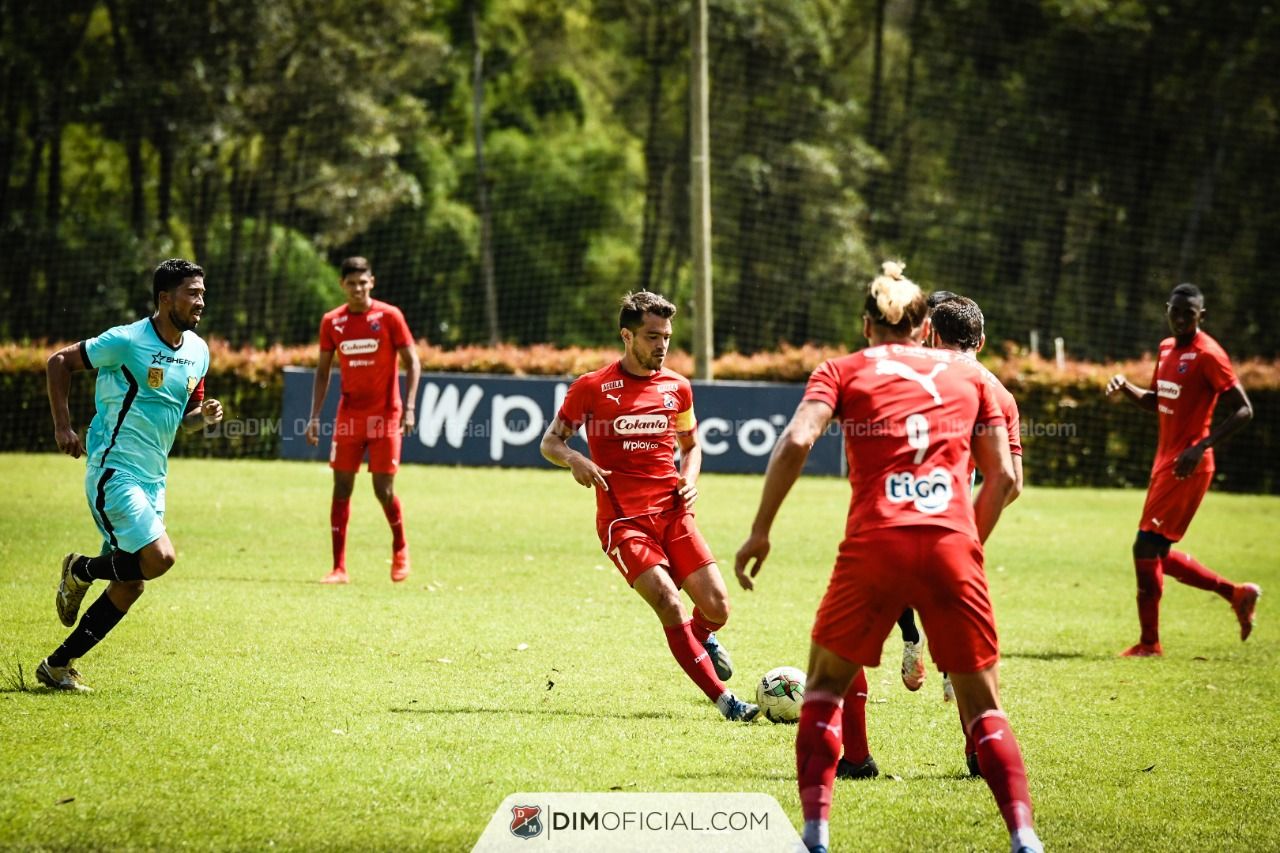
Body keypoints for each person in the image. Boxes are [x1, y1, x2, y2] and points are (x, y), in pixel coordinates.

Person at [735, 262, 1043, 853]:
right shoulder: (973, 378)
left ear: (867, 324)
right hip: (952, 545)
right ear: (925, 327)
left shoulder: (842, 369)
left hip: (875, 543)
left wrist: (761, 530)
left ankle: (817, 835)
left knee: (823, 686)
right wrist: (968, 545)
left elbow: (798, 440)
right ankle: (1024, 837)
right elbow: (1004, 475)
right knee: (984, 703)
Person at [540, 291, 758, 722]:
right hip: (623, 521)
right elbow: (551, 441)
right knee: (668, 601)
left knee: (717, 608)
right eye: (652, 336)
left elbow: (692, 447)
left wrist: (689, 480)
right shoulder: (592, 388)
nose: (662, 345)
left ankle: (700, 639)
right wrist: (576, 459)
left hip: (674, 514)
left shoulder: (678, 387)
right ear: (627, 335)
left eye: (667, 337)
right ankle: (726, 701)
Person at [40, 258, 223, 692]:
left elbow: (185, 419)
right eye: (192, 293)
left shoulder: (198, 351)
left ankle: (57, 665)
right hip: (112, 470)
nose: (201, 300)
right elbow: (58, 363)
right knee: (160, 558)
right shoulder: (126, 340)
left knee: (130, 584)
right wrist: (63, 427)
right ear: (165, 298)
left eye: (202, 292)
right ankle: (81, 570)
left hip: (154, 479)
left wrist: (205, 418)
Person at [893, 294, 1025, 777]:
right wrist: (969, 532)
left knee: (838, 651)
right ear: (982, 341)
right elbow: (1012, 482)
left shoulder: (914, 379)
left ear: (930, 334)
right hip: (959, 528)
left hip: (902, 517)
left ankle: (854, 758)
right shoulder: (1001, 395)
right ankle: (978, 753)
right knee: (971, 650)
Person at [1105, 283, 1258, 656]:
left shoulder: (1209, 354)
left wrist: (1201, 446)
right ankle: (1236, 594)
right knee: (1155, 551)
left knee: (1145, 546)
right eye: (1175, 311)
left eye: (1188, 314)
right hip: (1166, 462)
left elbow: (1244, 409)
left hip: (1189, 466)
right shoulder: (1165, 349)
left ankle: (1149, 643)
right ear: (1167, 310)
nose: (1179, 318)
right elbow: (1158, 401)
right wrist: (1126, 387)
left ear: (1200, 316)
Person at [305, 256, 421, 584]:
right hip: (349, 416)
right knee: (342, 486)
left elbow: (413, 363)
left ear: (372, 282)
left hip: (386, 415)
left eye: (363, 282)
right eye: (351, 283)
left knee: (382, 489)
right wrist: (314, 416)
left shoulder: (390, 316)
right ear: (342, 285)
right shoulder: (332, 322)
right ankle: (338, 567)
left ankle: (400, 547)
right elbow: (324, 370)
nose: (357, 289)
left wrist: (410, 407)